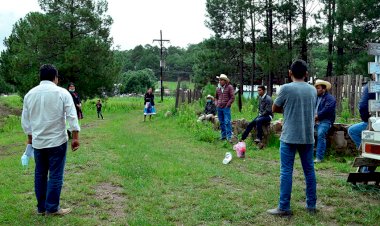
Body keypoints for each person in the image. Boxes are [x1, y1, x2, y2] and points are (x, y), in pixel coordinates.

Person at [21, 64, 80, 216]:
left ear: (40, 77)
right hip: (57, 142)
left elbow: (26, 121)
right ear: (55, 77)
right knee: (55, 174)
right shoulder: (62, 92)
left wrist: (30, 139)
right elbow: (72, 115)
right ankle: (52, 208)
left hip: (38, 142)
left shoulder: (30, 94)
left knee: (40, 174)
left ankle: (41, 208)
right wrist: (75, 137)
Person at [267, 59, 317, 216]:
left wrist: (289, 109)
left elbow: (274, 108)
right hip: (308, 136)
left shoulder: (286, 88)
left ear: (290, 73)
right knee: (309, 171)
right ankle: (311, 206)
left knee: (286, 171)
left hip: (289, 136)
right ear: (306, 74)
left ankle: (284, 207)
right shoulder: (313, 90)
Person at [348, 77, 376, 173]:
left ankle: (366, 156)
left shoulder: (371, 86)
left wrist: (365, 118)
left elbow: (363, 105)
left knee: (352, 131)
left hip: (374, 122)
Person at [314, 79, 336, 163]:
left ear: (324, 89)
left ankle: (319, 158)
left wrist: (317, 117)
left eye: (318, 88)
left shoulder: (330, 98)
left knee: (321, 134)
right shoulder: (314, 98)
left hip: (325, 121)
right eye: (315, 88)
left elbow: (327, 110)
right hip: (314, 120)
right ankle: (307, 155)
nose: (316, 90)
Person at [215, 74, 235, 141]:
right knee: (221, 122)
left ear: (225, 81)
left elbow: (232, 97)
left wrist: (227, 105)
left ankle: (229, 137)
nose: (220, 81)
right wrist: (216, 103)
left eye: (221, 80)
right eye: (219, 80)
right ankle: (223, 136)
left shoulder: (229, 87)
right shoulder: (218, 88)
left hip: (226, 108)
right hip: (219, 108)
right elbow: (216, 98)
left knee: (227, 122)